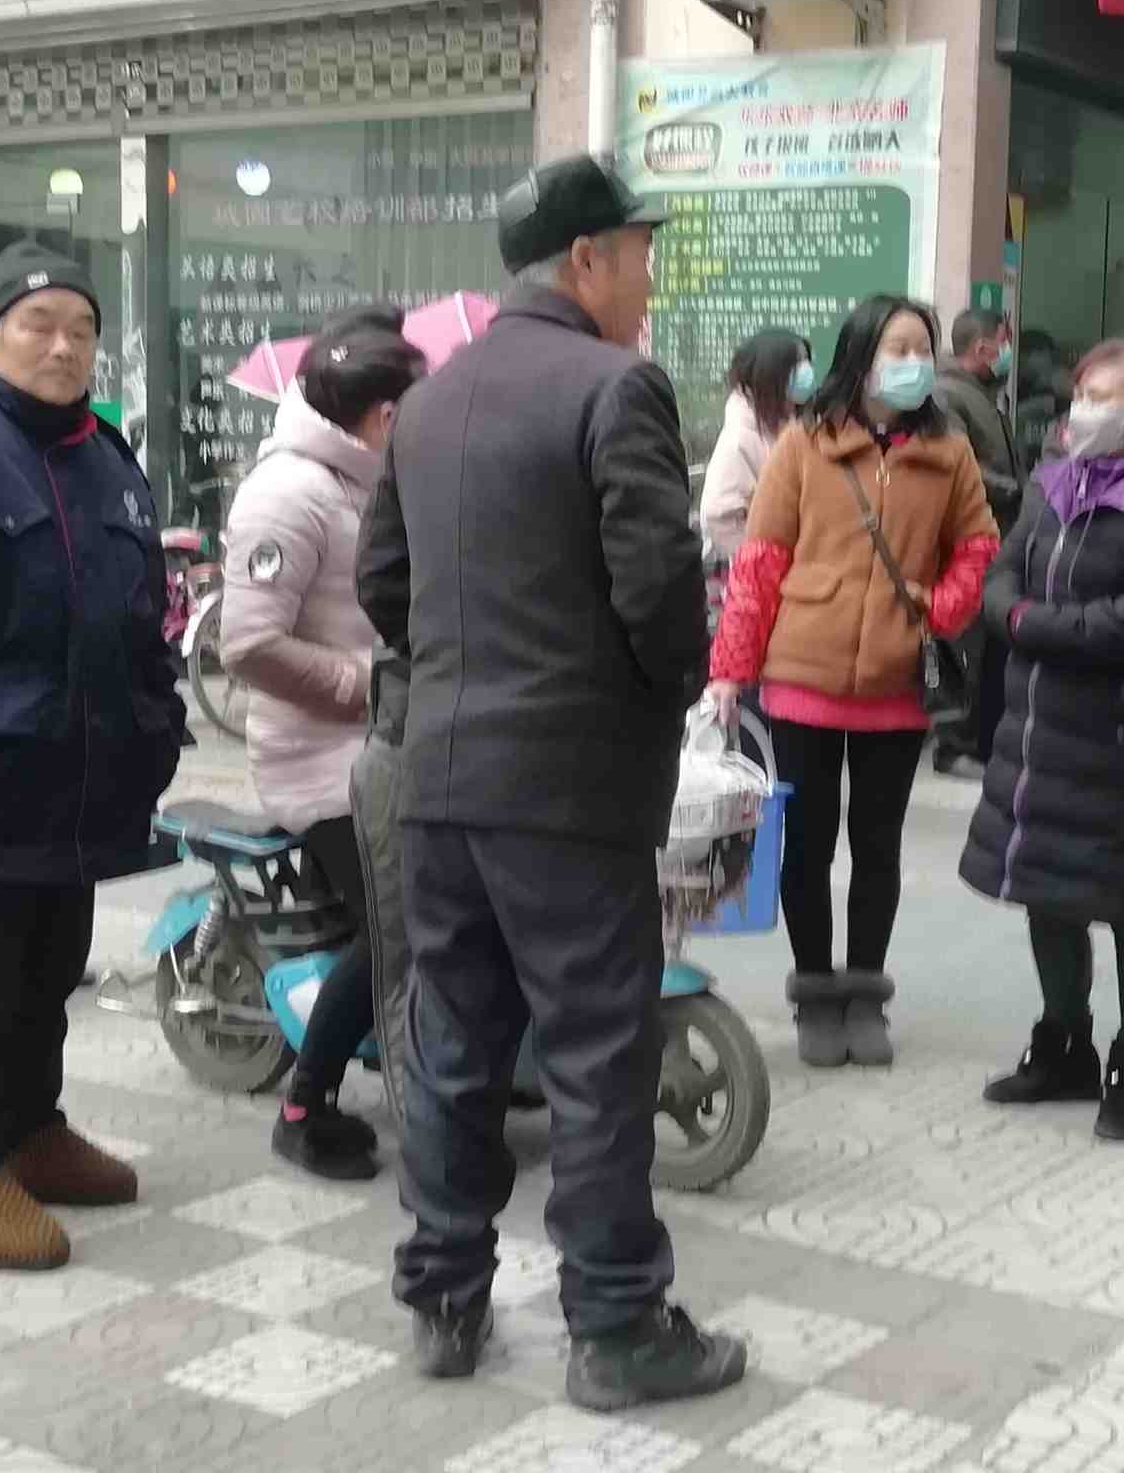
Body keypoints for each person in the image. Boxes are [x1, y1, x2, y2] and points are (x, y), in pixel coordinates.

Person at [357, 155, 746, 1409]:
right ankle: (617, 1325)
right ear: (587, 260)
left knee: (454, 1043)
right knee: (595, 1056)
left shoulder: (430, 400)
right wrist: (660, 692)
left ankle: (445, 1296)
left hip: (440, 779)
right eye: (639, 258)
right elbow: (658, 587)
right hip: (570, 791)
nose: (646, 284)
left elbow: (383, 584)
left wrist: (453, 677)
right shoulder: (617, 385)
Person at [0, 244, 176, 1270]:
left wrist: (154, 718)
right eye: (39, 325)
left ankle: (30, 1131)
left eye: (81, 330)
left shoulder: (104, 452)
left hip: (83, 772)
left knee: (51, 968)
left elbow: (138, 611)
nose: (63, 347)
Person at [706, 293, 1000, 1070]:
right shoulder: (803, 444)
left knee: (877, 848)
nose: (912, 363)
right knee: (806, 846)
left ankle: (866, 991)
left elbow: (978, 547)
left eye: (922, 349)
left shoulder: (948, 452)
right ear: (860, 358)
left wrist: (942, 606)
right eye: (897, 349)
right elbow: (759, 564)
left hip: (898, 683)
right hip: (802, 673)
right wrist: (731, 669)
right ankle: (814, 990)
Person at [960, 337, 1124, 1143]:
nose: (1081, 411)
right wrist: (1016, 614)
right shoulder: (1056, 480)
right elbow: (1001, 577)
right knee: (1048, 893)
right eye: (1080, 395)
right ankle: (1063, 1046)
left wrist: (1026, 624)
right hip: (1042, 735)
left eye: (1100, 397)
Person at [221, 307, 425, 1183]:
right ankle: (306, 1103)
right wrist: (366, 682)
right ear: (384, 414)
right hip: (321, 763)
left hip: (387, 746)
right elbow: (248, 646)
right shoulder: (289, 494)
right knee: (397, 933)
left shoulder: (368, 478)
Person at [931, 308, 1025, 780]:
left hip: (994, 538)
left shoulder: (983, 395)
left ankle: (981, 741)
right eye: (1004, 342)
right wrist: (1018, 490)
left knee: (988, 648)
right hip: (963, 541)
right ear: (983, 347)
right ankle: (954, 745)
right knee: (963, 646)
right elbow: (960, 467)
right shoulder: (948, 395)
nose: (1008, 352)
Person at [697, 326, 810, 568]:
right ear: (772, 373)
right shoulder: (739, 439)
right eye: (797, 364)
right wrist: (763, 562)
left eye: (806, 362)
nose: (807, 372)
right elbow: (719, 516)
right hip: (764, 573)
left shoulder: (788, 425)